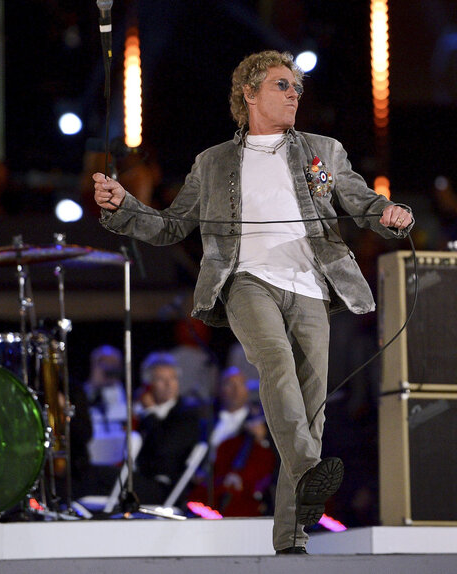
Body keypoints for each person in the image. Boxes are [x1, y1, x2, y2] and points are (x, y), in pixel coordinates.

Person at [93, 50, 413, 553]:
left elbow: (362, 201)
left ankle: (291, 538)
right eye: (283, 85)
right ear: (249, 92)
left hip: (311, 284)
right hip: (245, 278)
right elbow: (172, 225)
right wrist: (123, 207)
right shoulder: (214, 161)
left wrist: (391, 213)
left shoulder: (322, 150)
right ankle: (310, 472)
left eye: (298, 88)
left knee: (311, 414)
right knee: (275, 362)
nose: (294, 95)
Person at [187, 366, 276, 517]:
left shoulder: (260, 423)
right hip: (207, 490)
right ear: (220, 389)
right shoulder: (207, 422)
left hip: (240, 495)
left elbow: (271, 461)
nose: (235, 390)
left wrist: (263, 439)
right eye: (229, 384)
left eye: (240, 384)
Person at [133, 351, 203, 505]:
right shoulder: (139, 412)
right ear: (148, 384)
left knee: (107, 478)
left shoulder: (187, 413)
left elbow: (163, 447)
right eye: (161, 379)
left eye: (172, 378)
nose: (168, 384)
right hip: (141, 479)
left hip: (167, 488)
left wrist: (150, 412)